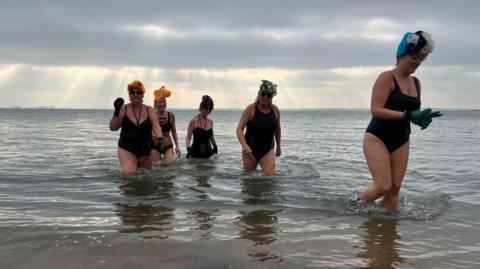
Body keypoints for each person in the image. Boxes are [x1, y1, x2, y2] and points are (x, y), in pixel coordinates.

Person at [358, 31, 442, 212]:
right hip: (377, 137)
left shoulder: (416, 83)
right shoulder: (386, 78)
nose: (418, 62)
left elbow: (413, 113)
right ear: (402, 53)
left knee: (395, 189)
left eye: (422, 59)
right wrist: (408, 115)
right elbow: (376, 110)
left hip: (402, 139)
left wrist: (420, 120)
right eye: (415, 57)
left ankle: (388, 231)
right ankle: (355, 206)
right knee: (383, 186)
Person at [109, 80, 165, 174]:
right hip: (127, 148)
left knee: (145, 176)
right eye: (132, 92)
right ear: (129, 95)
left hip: (146, 148)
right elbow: (113, 128)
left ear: (142, 95)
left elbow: (156, 126)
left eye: (138, 92)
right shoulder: (124, 108)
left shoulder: (149, 109)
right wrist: (116, 112)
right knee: (129, 173)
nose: (135, 94)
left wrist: (160, 139)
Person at [236, 80, 281, 176]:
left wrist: (279, 147)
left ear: (272, 97)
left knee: (270, 178)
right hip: (250, 150)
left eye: (268, 95)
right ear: (259, 94)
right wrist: (244, 145)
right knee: (249, 179)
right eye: (263, 94)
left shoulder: (275, 110)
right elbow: (239, 129)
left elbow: (278, 130)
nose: (265, 97)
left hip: (267, 150)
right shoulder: (251, 109)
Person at [151, 86, 181, 164]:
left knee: (168, 166)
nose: (162, 104)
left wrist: (177, 146)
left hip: (168, 145)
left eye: (164, 102)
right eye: (160, 102)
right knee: (157, 169)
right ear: (155, 104)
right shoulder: (152, 116)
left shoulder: (171, 115)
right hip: (155, 146)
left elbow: (174, 132)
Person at [185, 95, 218, 160]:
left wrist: (215, 146)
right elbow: (188, 137)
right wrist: (188, 149)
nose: (208, 111)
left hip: (209, 152)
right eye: (206, 108)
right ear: (201, 107)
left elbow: (211, 136)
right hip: (195, 152)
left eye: (210, 109)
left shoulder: (210, 122)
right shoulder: (193, 121)